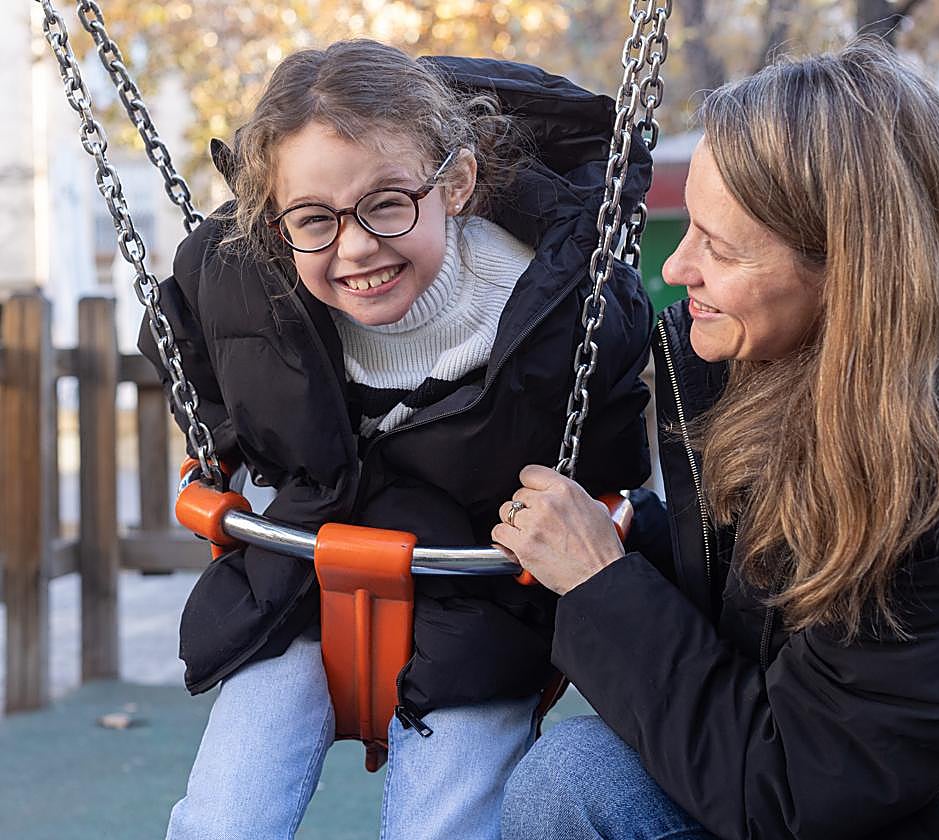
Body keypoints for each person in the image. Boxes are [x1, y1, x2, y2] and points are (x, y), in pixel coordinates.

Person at [494, 39, 939, 840]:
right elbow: (768, 613)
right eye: (691, 232)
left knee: (574, 780)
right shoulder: (777, 361)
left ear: (852, 273)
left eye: (720, 248)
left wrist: (601, 586)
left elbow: (789, 789)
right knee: (581, 772)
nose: (678, 269)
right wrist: (628, 540)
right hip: (863, 775)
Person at [138, 40, 653, 840]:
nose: (354, 249)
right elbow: (201, 364)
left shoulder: (553, 308)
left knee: (445, 823)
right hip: (302, 572)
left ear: (455, 183)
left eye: (387, 204)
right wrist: (221, 453)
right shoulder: (254, 290)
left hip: (481, 595)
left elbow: (613, 456)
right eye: (314, 219)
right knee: (223, 816)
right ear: (276, 221)